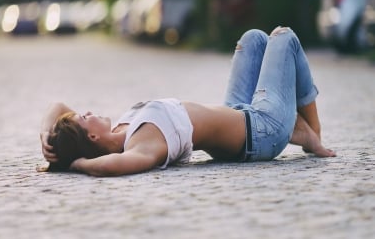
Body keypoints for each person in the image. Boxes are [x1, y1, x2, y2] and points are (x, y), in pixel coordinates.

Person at [38, 27, 336, 176]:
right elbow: (114, 166)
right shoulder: (143, 146)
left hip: (237, 112)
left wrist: (45, 131)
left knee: (254, 38)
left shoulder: (122, 127)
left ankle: (295, 128)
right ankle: (313, 134)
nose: (86, 111)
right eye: (84, 117)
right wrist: (79, 164)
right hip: (261, 131)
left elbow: (59, 107)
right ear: (91, 136)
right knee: (283, 37)